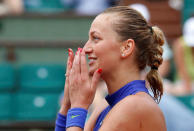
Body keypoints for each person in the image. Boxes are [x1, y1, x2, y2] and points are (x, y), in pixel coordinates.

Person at [55, 6, 166, 131]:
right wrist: (67, 106)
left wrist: (78, 107)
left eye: (95, 38)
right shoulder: (107, 105)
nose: (86, 48)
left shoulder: (134, 106)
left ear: (126, 47)